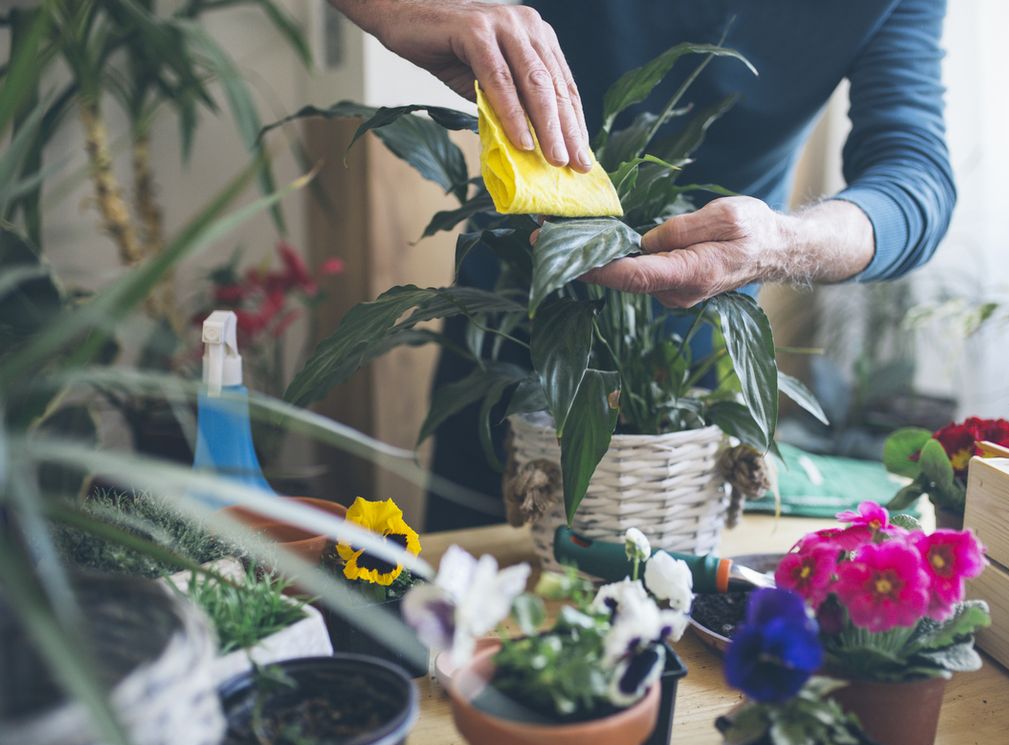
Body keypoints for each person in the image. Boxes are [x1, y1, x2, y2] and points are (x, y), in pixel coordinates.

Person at [329, 0, 956, 530]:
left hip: (692, 357)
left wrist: (781, 243)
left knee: (662, 629)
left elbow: (916, 176)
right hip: (515, 318)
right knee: (468, 626)